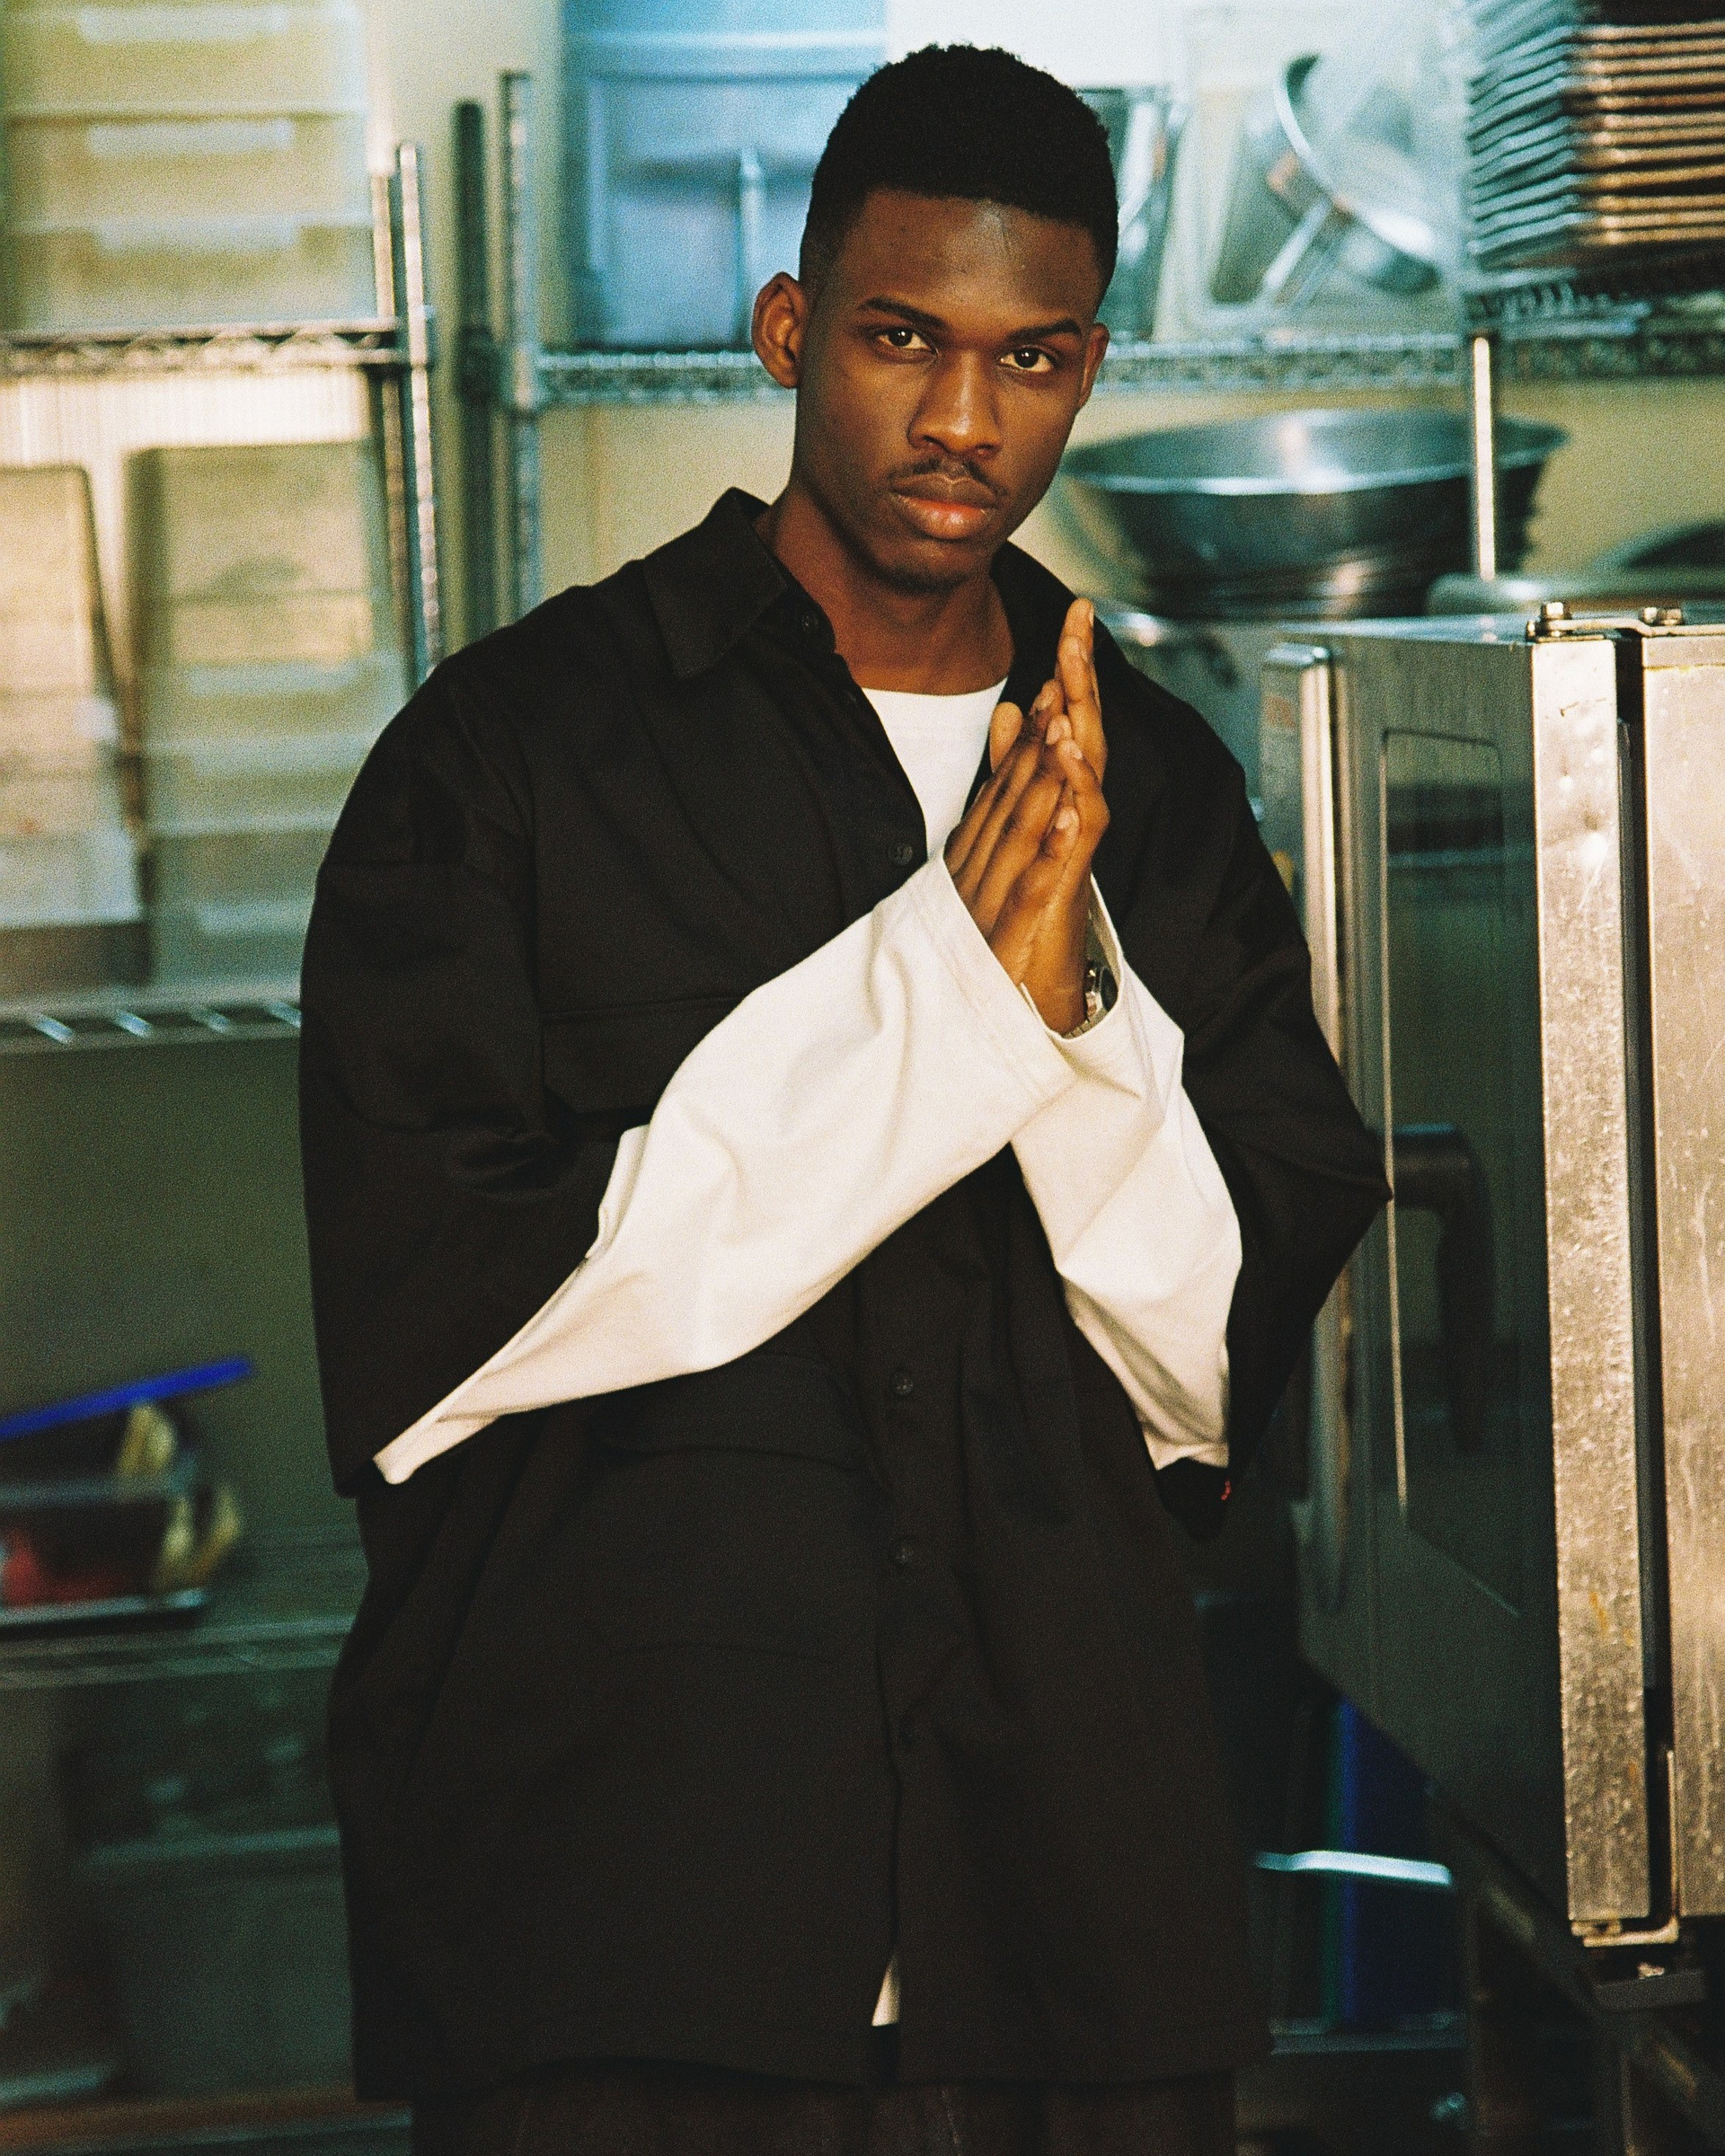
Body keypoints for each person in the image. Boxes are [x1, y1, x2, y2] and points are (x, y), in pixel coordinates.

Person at [299, 43, 1387, 2156]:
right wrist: (954, 997)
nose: (966, 420)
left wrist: (1068, 1012)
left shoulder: (1153, 792)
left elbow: (1206, 1375)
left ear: (1088, 367)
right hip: (625, 1916)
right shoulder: (509, 762)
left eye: (1032, 357)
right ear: (791, 326)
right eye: (904, 338)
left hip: (1064, 1913)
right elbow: (446, 1333)